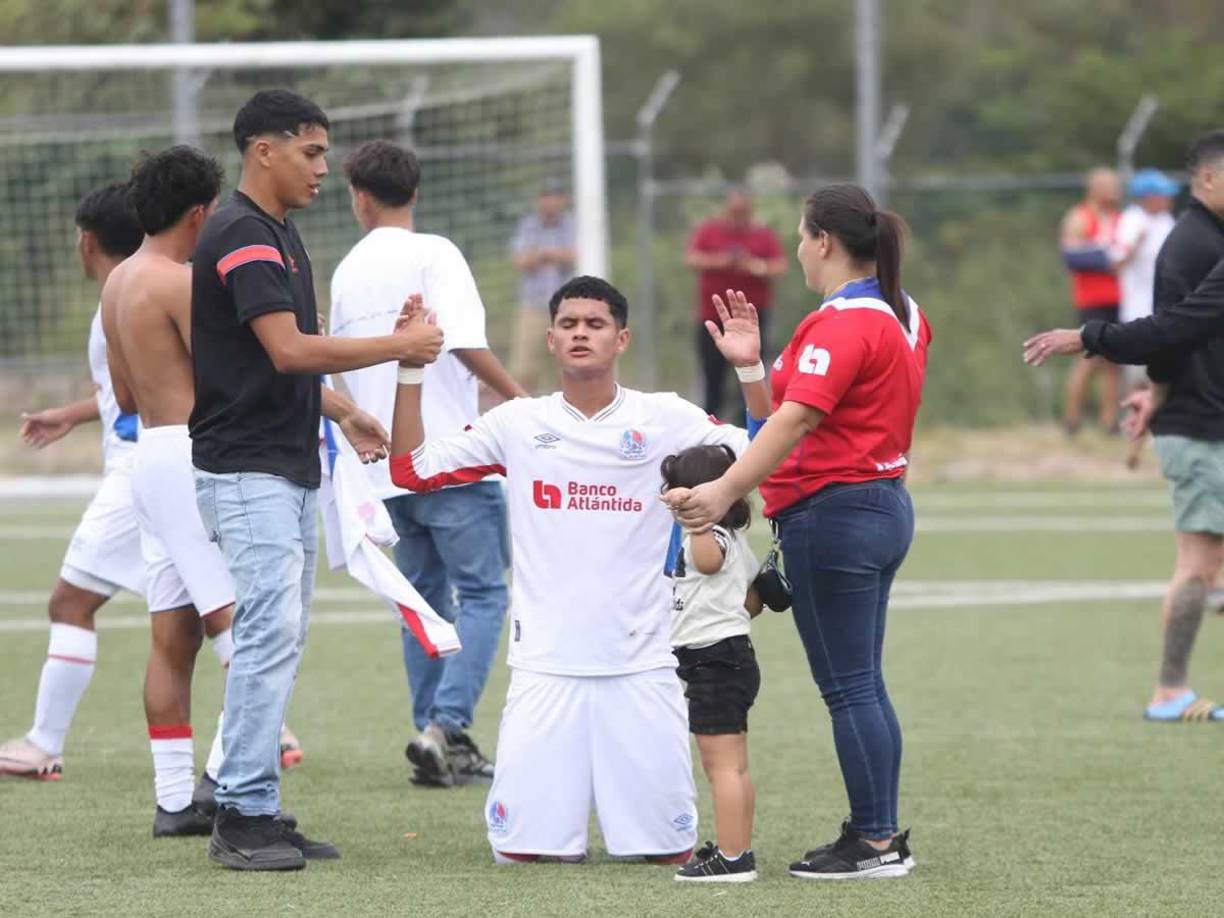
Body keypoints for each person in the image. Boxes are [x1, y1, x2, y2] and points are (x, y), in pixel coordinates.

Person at [389, 276, 770, 864]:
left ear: (622, 338)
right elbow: (410, 470)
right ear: (549, 339)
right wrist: (409, 369)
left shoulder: (664, 416)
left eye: (594, 324)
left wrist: (749, 372)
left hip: (644, 661)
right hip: (546, 663)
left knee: (667, 852)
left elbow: (766, 449)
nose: (580, 334)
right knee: (524, 855)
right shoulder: (516, 422)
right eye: (568, 324)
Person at [190, 90, 443, 871]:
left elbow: (285, 359)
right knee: (267, 639)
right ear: (262, 151)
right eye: (311, 152)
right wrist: (398, 345)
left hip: (288, 463)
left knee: (279, 638)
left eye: (326, 153)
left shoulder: (280, 235)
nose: (325, 169)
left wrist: (341, 414)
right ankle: (241, 817)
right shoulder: (241, 235)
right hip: (248, 469)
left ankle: (252, 801)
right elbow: (289, 351)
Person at [665, 184, 931, 879]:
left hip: (838, 515)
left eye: (801, 235)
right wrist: (750, 363)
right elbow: (778, 411)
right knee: (862, 683)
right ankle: (876, 832)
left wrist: (726, 489)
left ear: (824, 242)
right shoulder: (901, 313)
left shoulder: (844, 321)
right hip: (876, 506)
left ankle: (876, 841)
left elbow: (795, 422)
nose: (795, 249)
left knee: (850, 688)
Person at [329, 140, 524, 787]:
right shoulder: (435, 252)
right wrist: (527, 405)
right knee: (487, 592)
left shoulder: (347, 271)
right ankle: (445, 725)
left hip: (382, 463)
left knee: (422, 600)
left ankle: (433, 736)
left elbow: (339, 362)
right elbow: (464, 344)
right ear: (415, 192)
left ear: (359, 197)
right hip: (447, 455)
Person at [1024, 131, 1224, 722]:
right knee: (1198, 564)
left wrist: (1152, 388)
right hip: (1201, 425)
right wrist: (1090, 337)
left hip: (1200, 414)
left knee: (1208, 565)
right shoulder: (1190, 244)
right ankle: (1170, 691)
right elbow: (1174, 328)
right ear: (1207, 180)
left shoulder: (1206, 238)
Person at [101, 146, 243, 837]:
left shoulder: (118, 282)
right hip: (192, 456)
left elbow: (125, 393)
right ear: (199, 212)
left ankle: (174, 801)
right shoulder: (180, 282)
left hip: (146, 458)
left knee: (171, 636)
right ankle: (228, 779)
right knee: (247, 629)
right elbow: (228, 377)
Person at [0, 184, 144, 781]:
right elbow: (129, 389)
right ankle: (273, 734)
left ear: (87, 242)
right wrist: (73, 412)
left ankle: (42, 744)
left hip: (140, 474)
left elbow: (146, 394)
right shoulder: (153, 284)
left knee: (70, 600)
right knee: (210, 613)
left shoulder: (122, 296)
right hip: (179, 466)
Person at [662, 443, 763, 883]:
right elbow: (752, 602)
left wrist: (695, 519)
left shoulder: (711, 537)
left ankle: (732, 858)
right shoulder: (738, 542)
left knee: (720, 766)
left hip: (714, 661)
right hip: (731, 657)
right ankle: (736, 847)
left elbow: (706, 562)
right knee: (734, 765)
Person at [686, 187, 787, 419]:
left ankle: (748, 425)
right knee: (713, 376)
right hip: (712, 317)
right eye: (734, 211)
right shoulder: (710, 230)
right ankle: (711, 426)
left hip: (752, 317)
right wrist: (721, 261)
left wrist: (753, 266)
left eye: (742, 212)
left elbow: (779, 266)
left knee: (751, 375)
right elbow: (691, 258)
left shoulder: (762, 234)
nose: (737, 217)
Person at [1058, 167, 1123, 434]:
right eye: (1108, 185)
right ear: (1094, 187)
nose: (1114, 190)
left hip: (1119, 297)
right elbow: (1071, 256)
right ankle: (1072, 419)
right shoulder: (1079, 217)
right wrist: (1107, 257)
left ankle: (1110, 421)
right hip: (1092, 299)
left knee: (1114, 360)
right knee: (1087, 359)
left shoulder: (1119, 218)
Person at [509, 179, 575, 392]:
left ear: (563, 200)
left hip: (568, 307)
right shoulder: (528, 225)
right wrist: (547, 255)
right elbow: (520, 260)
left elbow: (576, 255)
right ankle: (524, 413)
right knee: (524, 367)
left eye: (554, 196)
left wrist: (546, 254)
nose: (550, 202)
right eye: (545, 196)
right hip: (534, 305)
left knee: (568, 367)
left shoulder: (573, 224)